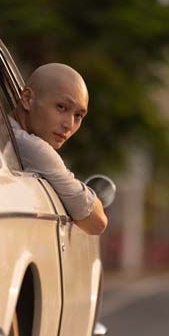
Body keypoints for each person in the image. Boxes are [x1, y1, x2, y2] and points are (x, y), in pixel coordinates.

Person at [9, 63, 108, 236]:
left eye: (78, 115)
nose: (69, 125)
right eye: (61, 107)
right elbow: (97, 223)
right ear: (27, 98)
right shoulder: (32, 148)